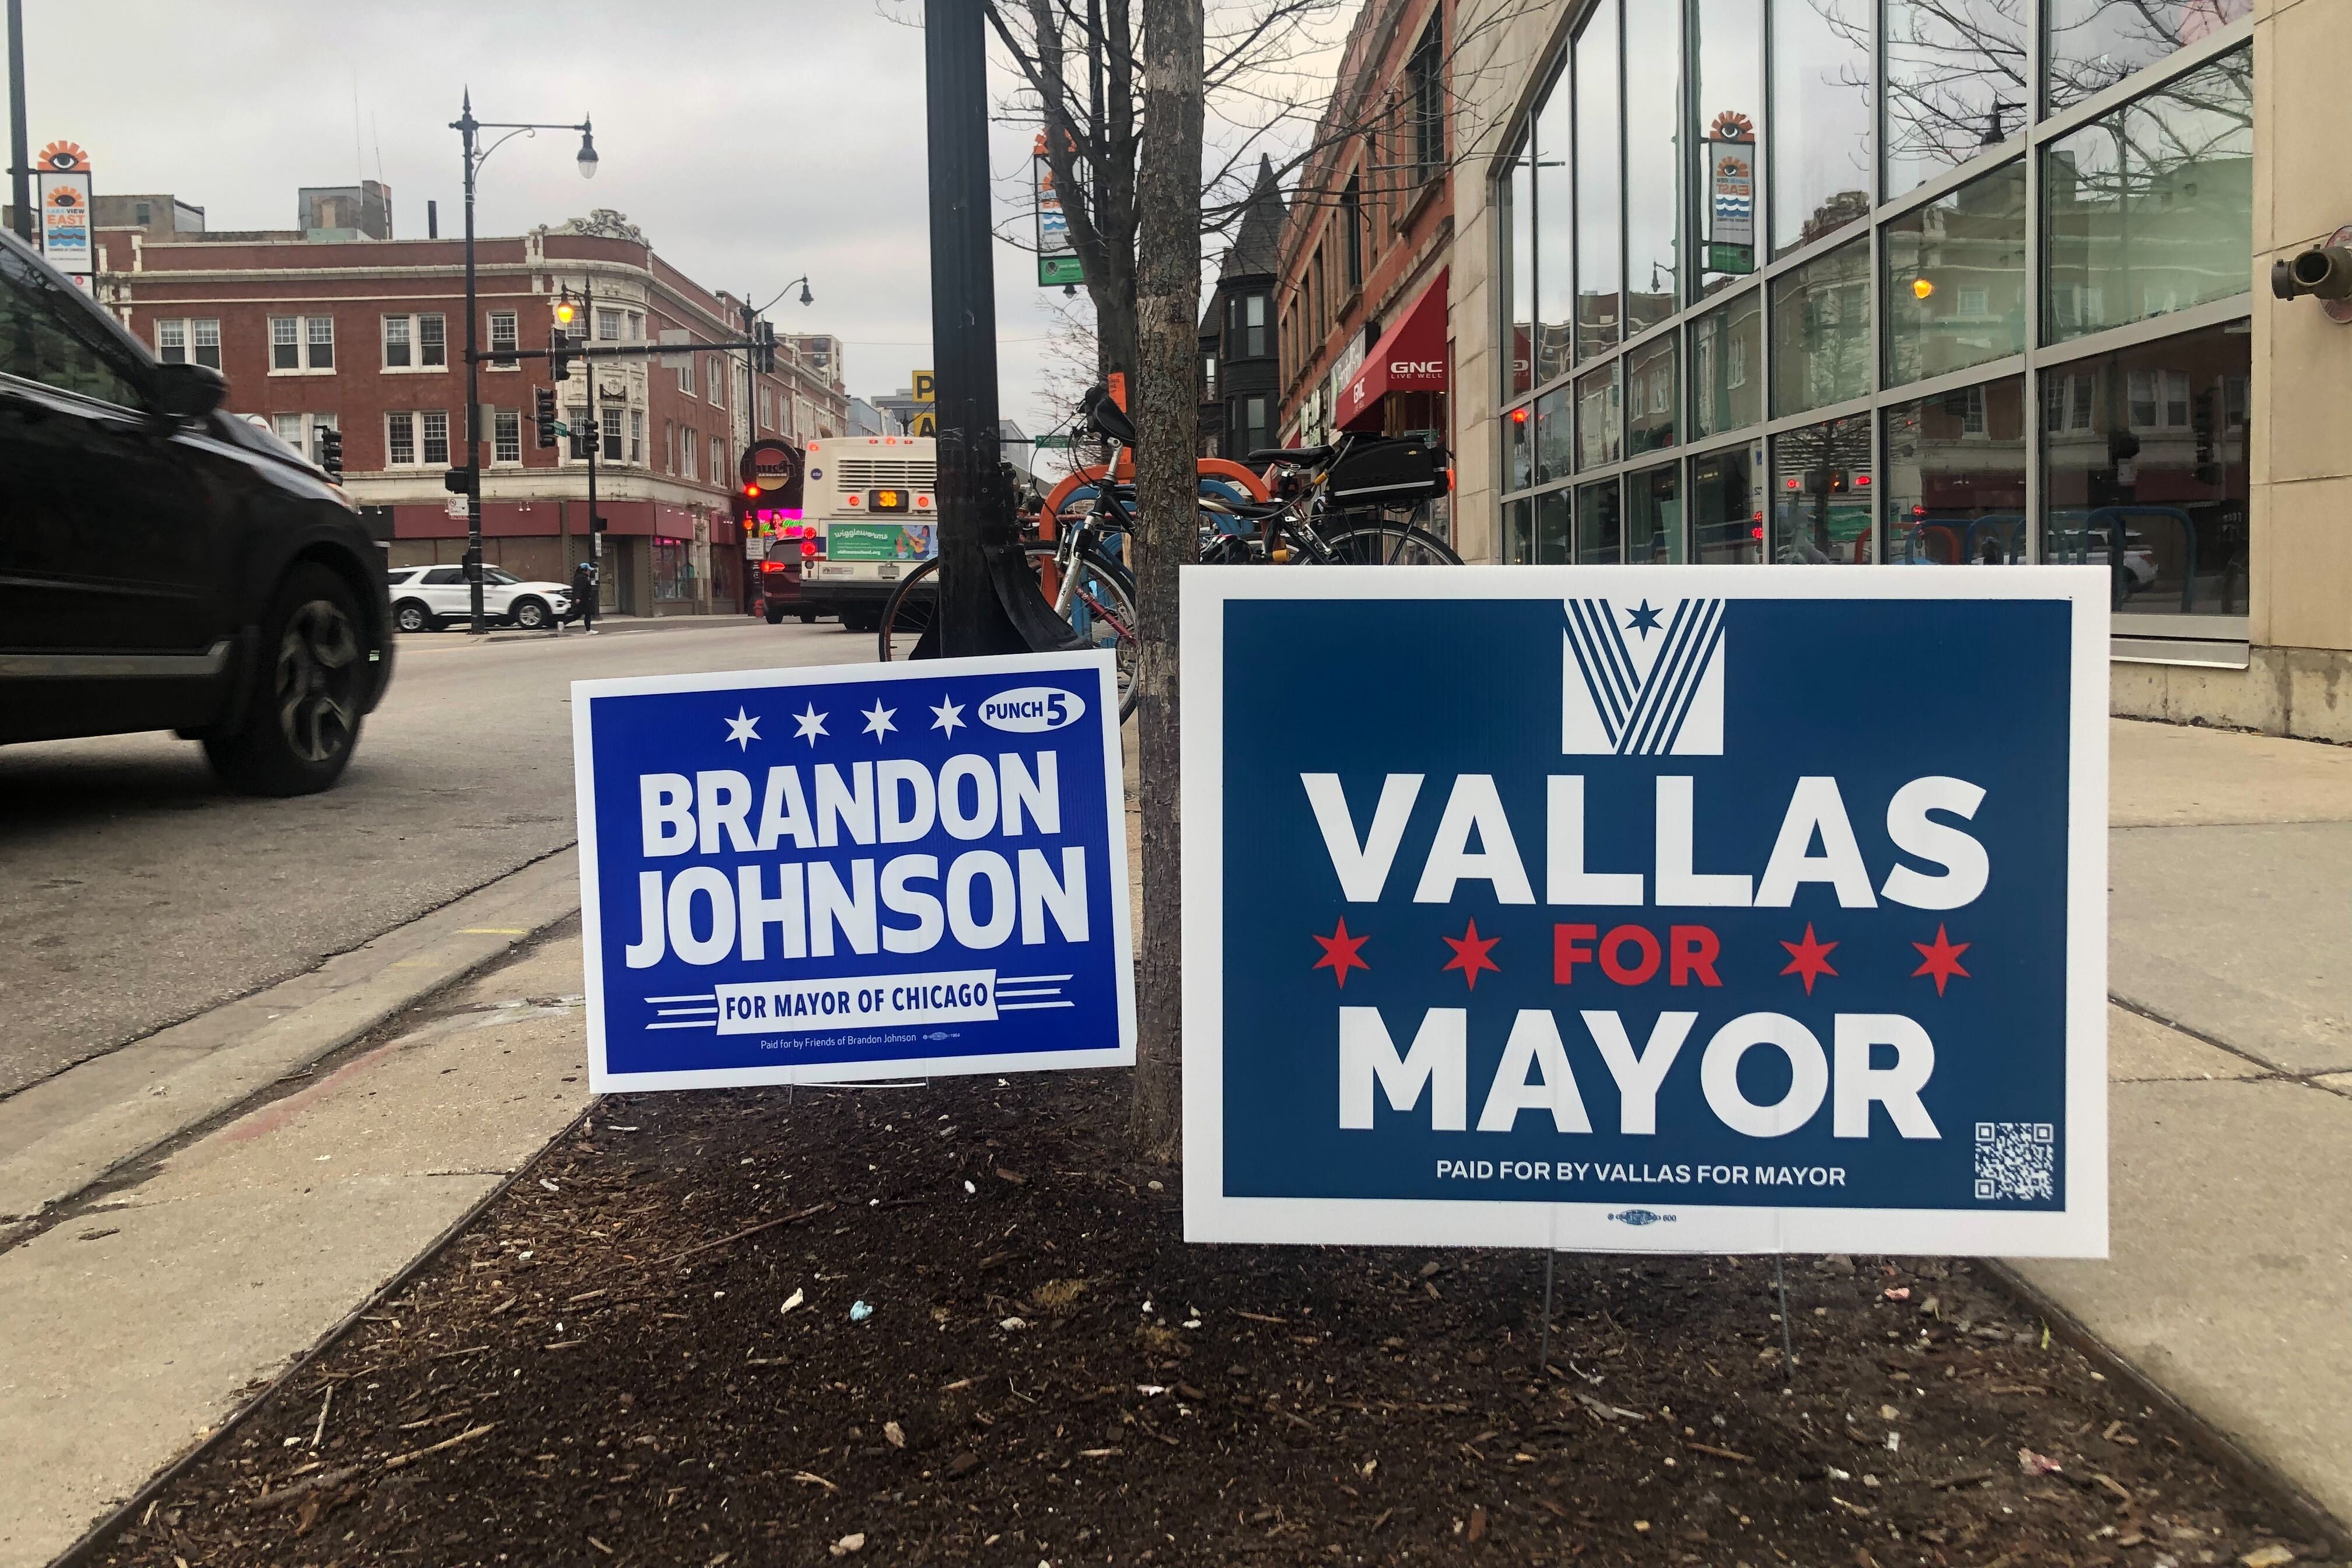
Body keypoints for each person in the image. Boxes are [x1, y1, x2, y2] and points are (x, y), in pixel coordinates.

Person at [570, 559, 599, 634]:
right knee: (586, 614)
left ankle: (563, 622)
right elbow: (580, 588)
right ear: (585, 570)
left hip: (584, 599)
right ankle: (588, 630)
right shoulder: (583, 578)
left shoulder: (580, 577)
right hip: (584, 599)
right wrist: (578, 598)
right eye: (589, 570)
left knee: (579, 614)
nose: (589, 572)